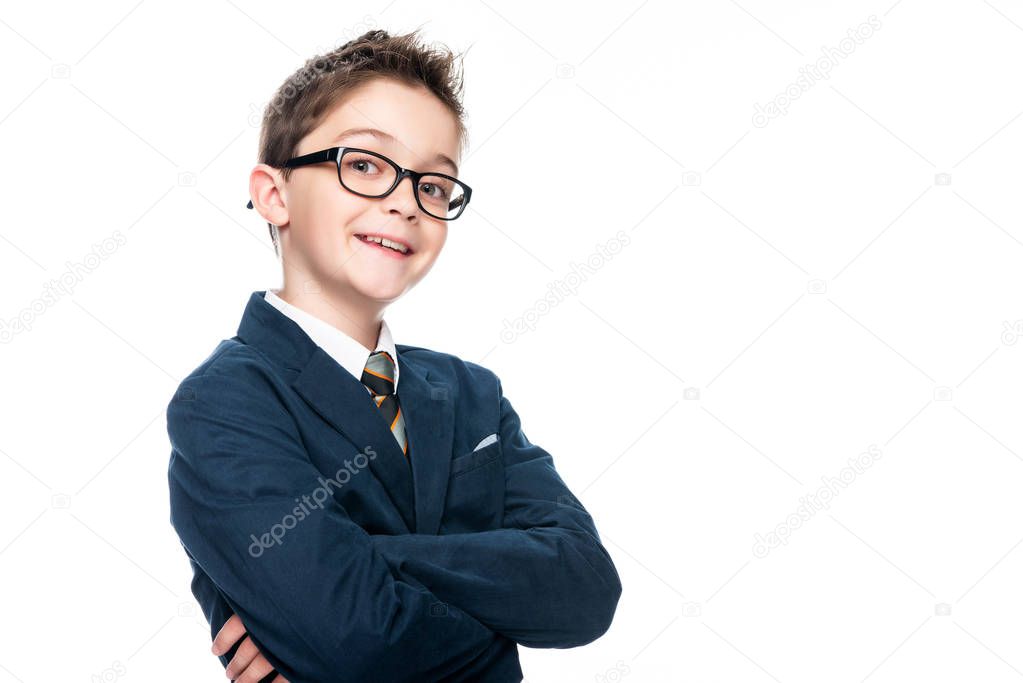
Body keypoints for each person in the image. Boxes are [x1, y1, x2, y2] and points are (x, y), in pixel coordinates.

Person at [166, 28, 621, 683]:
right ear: (275, 193)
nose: (407, 202)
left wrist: (365, 559)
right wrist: (500, 627)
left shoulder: (472, 394)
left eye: (435, 185)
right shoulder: (226, 400)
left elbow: (583, 589)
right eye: (365, 164)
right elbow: (358, 639)